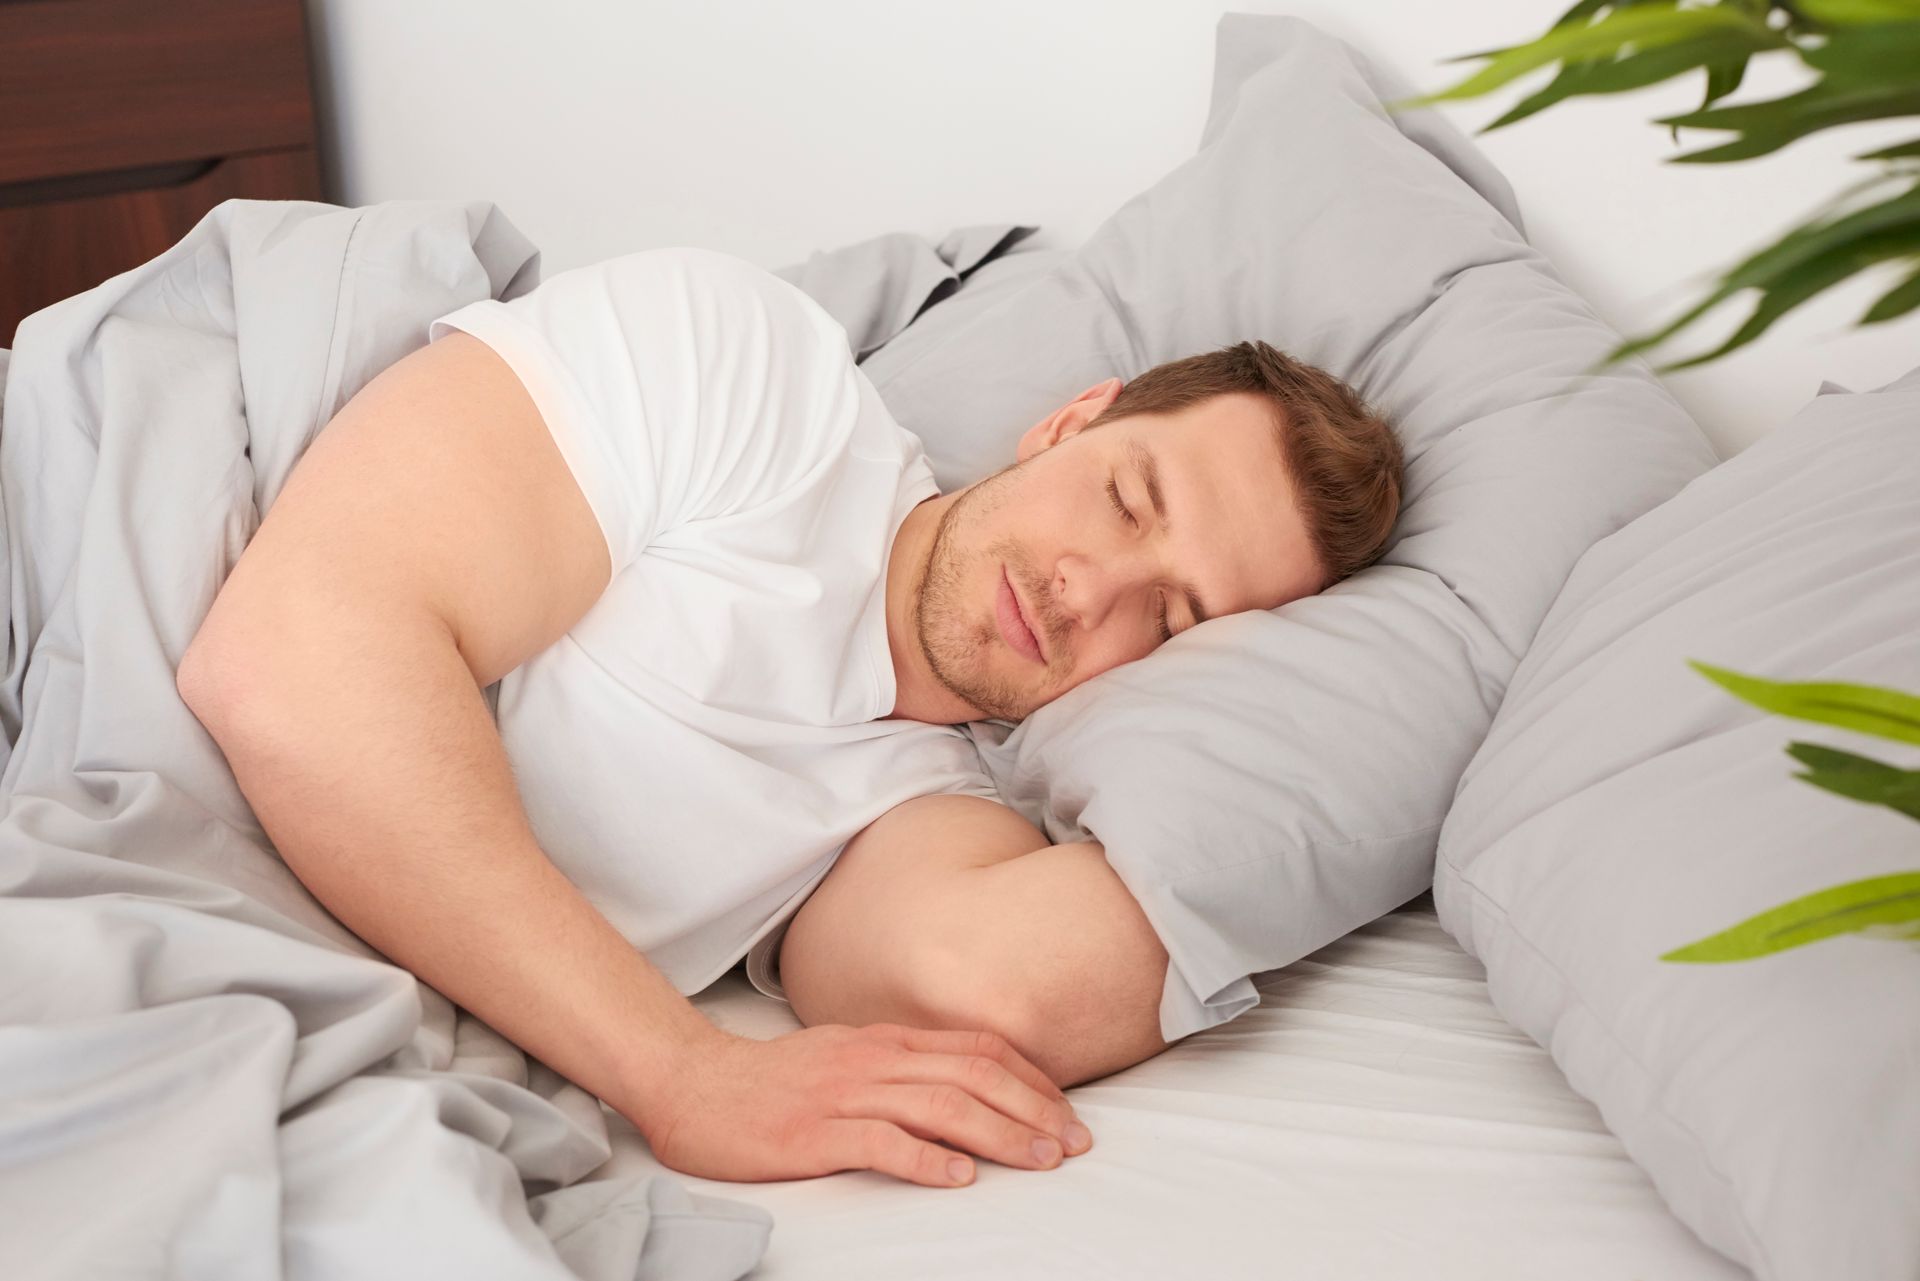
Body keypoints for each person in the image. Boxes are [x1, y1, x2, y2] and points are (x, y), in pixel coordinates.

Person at [176, 247, 1403, 1194]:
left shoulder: (925, 810)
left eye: (1177, 620)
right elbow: (286, 661)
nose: (1092, 591)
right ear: (1072, 420)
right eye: (1129, 502)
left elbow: (1001, 988)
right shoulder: (758, 380)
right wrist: (677, 1070)